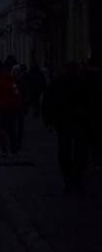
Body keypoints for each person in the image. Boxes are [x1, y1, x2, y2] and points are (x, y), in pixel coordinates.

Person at [42, 61, 92, 191]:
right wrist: (48, 122)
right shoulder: (56, 83)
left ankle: (76, 177)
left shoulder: (80, 83)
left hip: (79, 122)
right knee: (65, 152)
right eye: (66, 71)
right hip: (64, 122)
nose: (68, 74)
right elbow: (47, 103)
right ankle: (68, 178)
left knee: (80, 152)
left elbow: (90, 101)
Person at [0, 56, 23, 157]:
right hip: (12, 109)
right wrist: (20, 109)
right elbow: (17, 96)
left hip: (0, 108)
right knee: (12, 129)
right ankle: (14, 149)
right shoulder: (13, 84)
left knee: (2, 129)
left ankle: (4, 150)